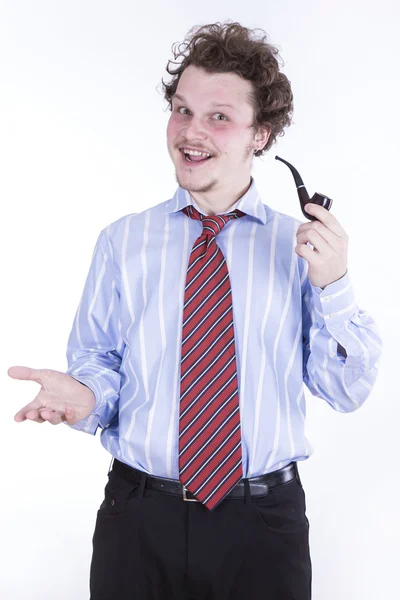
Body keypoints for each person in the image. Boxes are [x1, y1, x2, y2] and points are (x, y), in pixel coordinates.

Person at [10, 21, 382, 600]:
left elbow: (346, 390)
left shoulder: (301, 250)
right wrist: (85, 397)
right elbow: (100, 364)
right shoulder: (122, 242)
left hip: (263, 528)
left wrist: (333, 285)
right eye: (182, 110)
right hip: (137, 522)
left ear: (260, 135)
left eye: (219, 117)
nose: (191, 131)